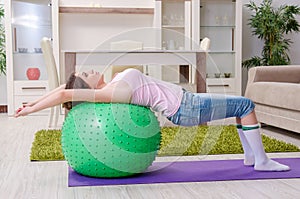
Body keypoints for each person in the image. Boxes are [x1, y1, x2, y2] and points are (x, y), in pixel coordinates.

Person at [15, 68, 290, 172]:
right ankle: (262, 161)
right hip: (186, 107)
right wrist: (31, 111)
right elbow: (65, 92)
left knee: (238, 108)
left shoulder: (113, 82)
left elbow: (64, 87)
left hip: (186, 103)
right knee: (245, 104)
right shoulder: (111, 92)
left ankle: (250, 157)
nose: (89, 69)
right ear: (86, 88)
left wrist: (33, 101)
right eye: (86, 74)